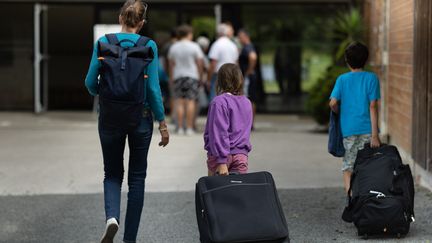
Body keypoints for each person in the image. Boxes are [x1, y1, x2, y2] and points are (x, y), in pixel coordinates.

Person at [84, 1, 169, 242]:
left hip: (110, 116)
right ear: (142, 23)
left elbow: (90, 84)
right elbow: (153, 89)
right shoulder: (149, 45)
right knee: (137, 178)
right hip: (140, 119)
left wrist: (107, 93)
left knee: (111, 174)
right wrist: (162, 122)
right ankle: (129, 239)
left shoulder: (103, 43)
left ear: (121, 17)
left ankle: (112, 217)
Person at [329, 42, 381, 193]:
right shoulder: (372, 78)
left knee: (348, 166)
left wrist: (340, 111)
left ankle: (351, 200)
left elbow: (332, 103)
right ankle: (367, 198)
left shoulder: (342, 79)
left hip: (349, 130)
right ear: (366, 59)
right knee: (368, 165)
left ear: (347, 60)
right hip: (368, 131)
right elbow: (373, 106)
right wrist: (375, 135)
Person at [204, 63, 253, 176]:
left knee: (215, 192)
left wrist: (221, 161)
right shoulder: (247, 102)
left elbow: (219, 132)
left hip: (221, 157)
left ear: (220, 81)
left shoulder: (219, 102)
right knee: (237, 192)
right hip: (241, 155)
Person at [168, 25, 204, 135]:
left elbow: (171, 64)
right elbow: (199, 63)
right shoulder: (194, 46)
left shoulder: (174, 47)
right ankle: (189, 127)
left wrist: (171, 78)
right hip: (192, 76)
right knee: (190, 102)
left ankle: (179, 127)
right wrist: (201, 76)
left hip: (178, 76)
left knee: (179, 102)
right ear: (189, 34)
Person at [207, 23, 239, 101]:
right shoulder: (233, 45)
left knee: (215, 95)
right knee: (229, 96)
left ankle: (216, 112)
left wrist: (208, 79)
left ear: (218, 33)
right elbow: (236, 62)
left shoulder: (216, 44)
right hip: (231, 74)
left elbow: (213, 63)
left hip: (218, 74)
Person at [237, 29, 258, 129]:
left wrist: (249, 70)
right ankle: (249, 123)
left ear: (245, 36)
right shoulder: (247, 47)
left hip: (248, 77)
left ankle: (249, 123)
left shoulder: (248, 47)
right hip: (249, 76)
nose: (239, 39)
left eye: (240, 37)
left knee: (248, 99)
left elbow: (253, 57)